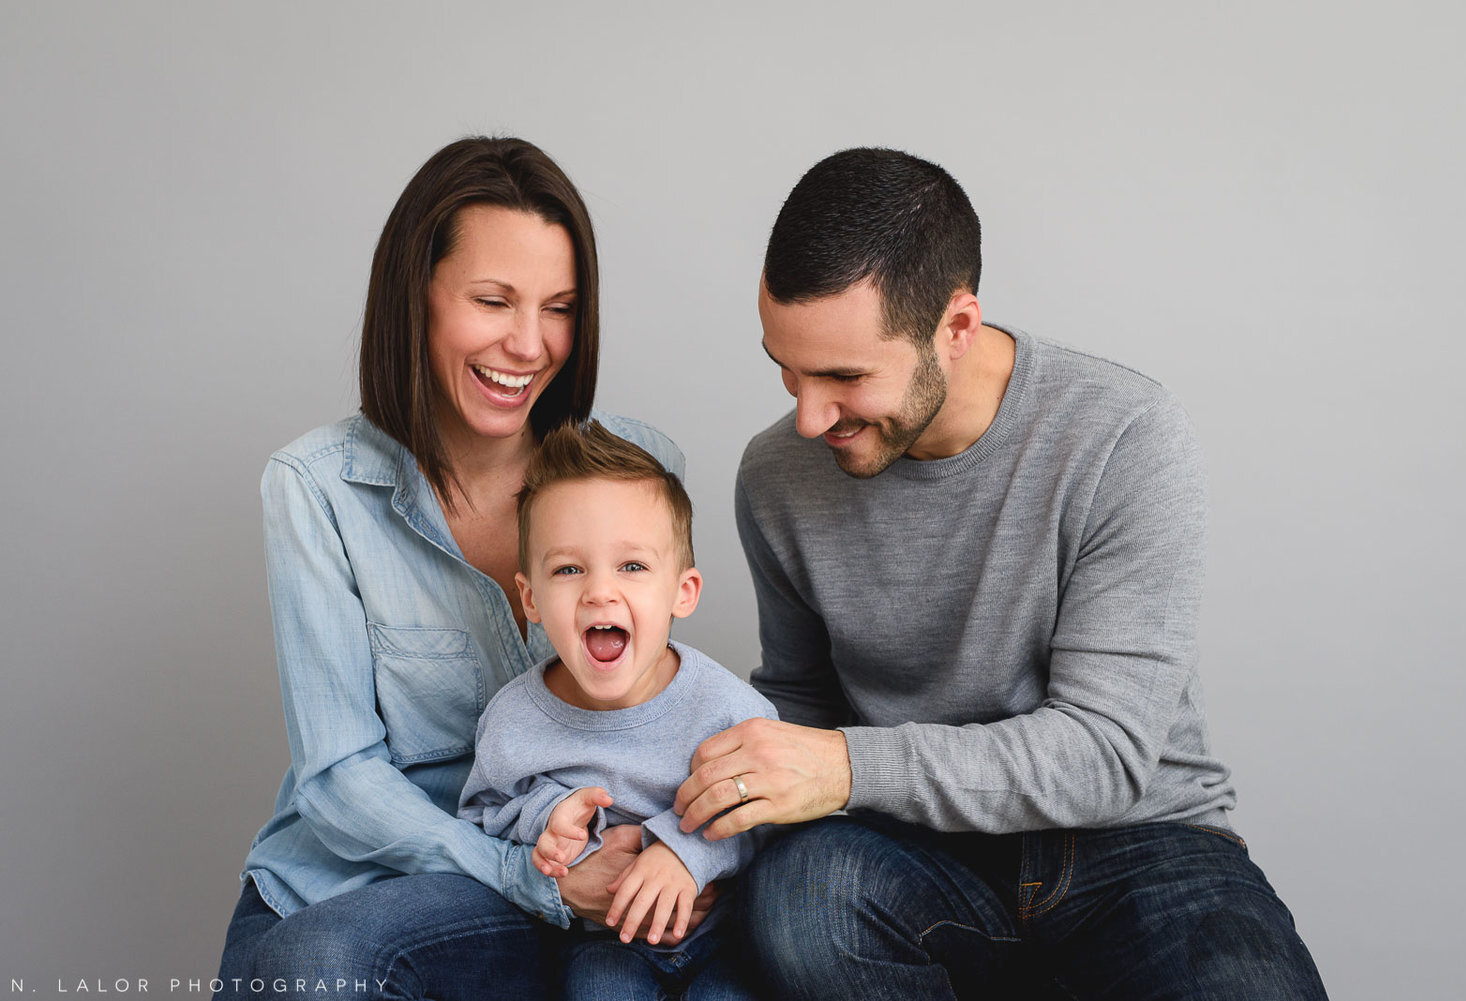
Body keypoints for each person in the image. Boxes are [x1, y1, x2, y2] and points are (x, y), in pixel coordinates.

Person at [672, 148, 1329, 999]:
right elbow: (799, 703)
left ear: (957, 325)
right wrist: (693, 837)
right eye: (786, 369)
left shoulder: (1123, 436)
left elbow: (1105, 752)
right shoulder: (776, 475)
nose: (807, 417)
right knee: (802, 902)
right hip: (911, 848)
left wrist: (845, 768)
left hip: (1135, 841)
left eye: (844, 376)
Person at [214, 137, 701, 1001]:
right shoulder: (318, 487)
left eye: (559, 307)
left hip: (589, 884)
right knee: (313, 971)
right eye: (492, 300)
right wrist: (533, 877)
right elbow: (339, 781)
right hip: (366, 886)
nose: (527, 343)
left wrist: (663, 857)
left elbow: (678, 706)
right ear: (419, 299)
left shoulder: (639, 467)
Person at [456, 420, 775, 1001]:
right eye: (568, 569)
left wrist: (687, 853)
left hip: (721, 937)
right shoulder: (515, 718)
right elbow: (484, 812)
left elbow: (771, 815)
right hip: (601, 943)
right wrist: (548, 822)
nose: (599, 592)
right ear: (530, 599)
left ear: (684, 591)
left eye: (632, 567)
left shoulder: (726, 707)